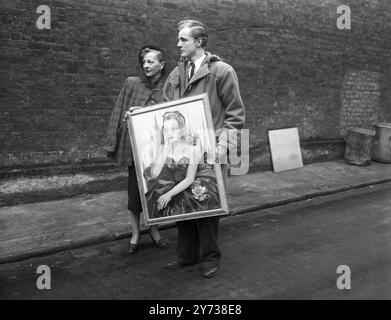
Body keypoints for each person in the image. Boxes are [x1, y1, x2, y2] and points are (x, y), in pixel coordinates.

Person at [163, 20, 245, 278]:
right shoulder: (176, 74)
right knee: (183, 203)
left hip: (211, 152)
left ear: (199, 42)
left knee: (208, 205)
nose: (178, 44)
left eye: (183, 40)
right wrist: (139, 115)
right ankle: (187, 256)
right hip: (183, 153)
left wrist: (223, 146)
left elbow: (235, 115)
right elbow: (164, 109)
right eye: (178, 39)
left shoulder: (221, 71)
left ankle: (210, 258)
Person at [103, 45, 170, 254]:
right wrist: (116, 134)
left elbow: (170, 114)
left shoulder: (168, 87)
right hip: (135, 150)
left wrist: (145, 111)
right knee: (134, 195)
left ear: (161, 64)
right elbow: (118, 110)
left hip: (157, 152)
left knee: (154, 192)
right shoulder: (132, 83)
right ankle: (134, 234)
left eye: (151, 61)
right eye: (144, 62)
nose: (146, 65)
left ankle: (154, 231)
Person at [143, 110, 220, 219]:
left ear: (182, 130)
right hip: (170, 185)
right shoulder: (164, 150)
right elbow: (154, 174)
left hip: (188, 184)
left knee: (190, 206)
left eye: (174, 128)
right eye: (166, 129)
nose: (169, 133)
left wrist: (169, 194)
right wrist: (165, 150)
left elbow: (189, 178)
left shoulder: (193, 149)